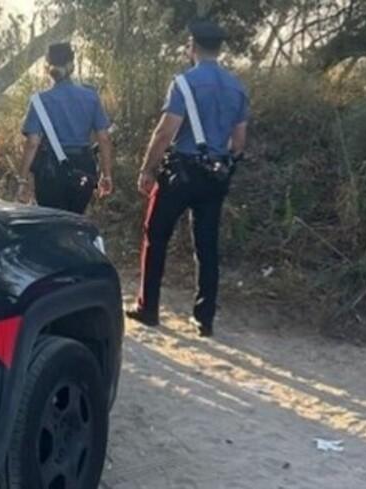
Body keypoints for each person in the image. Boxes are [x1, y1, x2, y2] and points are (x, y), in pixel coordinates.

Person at [126, 19, 249, 337]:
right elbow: (239, 143)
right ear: (219, 49)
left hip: (180, 171)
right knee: (207, 245)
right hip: (215, 174)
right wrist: (222, 164)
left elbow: (165, 131)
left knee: (155, 236)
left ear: (192, 46)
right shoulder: (237, 87)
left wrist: (147, 169)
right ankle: (204, 318)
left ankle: (148, 307)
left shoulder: (183, 83)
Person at [20, 42, 114, 214]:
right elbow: (104, 138)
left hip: (50, 172)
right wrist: (106, 174)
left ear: (47, 67)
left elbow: (33, 143)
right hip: (83, 167)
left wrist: (23, 179)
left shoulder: (40, 101)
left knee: (53, 223)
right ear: (73, 65)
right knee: (75, 218)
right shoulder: (91, 96)